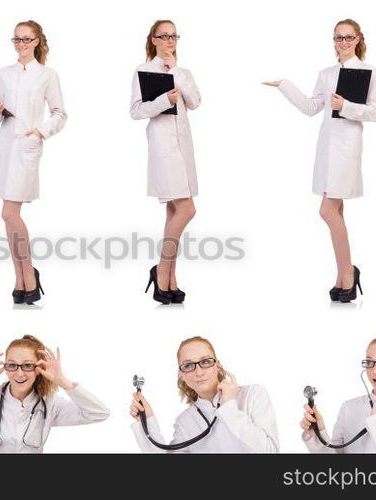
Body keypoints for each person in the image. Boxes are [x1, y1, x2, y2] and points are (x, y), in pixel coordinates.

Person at [264, 19, 376, 303]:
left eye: (347, 38)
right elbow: (310, 107)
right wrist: (284, 85)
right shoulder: (326, 73)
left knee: (327, 211)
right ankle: (343, 275)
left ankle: (348, 274)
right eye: (337, 38)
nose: (342, 43)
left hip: (347, 149)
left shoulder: (368, 72)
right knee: (336, 212)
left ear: (358, 39)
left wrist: (347, 107)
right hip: (326, 148)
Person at [0, 20, 66, 305]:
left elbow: (60, 113)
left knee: (9, 213)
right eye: (16, 40)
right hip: (5, 147)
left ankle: (28, 274)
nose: (21, 45)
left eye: (26, 40)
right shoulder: (3, 73)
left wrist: (40, 131)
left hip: (28, 146)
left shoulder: (47, 75)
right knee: (9, 217)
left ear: (36, 42)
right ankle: (20, 277)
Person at [131, 20, 201, 305]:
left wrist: (177, 76)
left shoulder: (183, 72)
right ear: (153, 40)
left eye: (174, 36)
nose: (171, 40)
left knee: (175, 212)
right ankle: (162, 271)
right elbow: (136, 111)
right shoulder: (143, 71)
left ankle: (170, 278)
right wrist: (163, 99)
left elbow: (195, 102)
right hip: (162, 147)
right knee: (187, 209)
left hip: (184, 146)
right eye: (165, 36)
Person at [129, 336, 279, 452]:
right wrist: (147, 421)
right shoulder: (185, 421)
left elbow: (270, 452)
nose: (198, 372)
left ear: (218, 366)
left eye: (205, 362)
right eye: (188, 365)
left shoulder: (252, 395)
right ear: (182, 374)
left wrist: (229, 408)